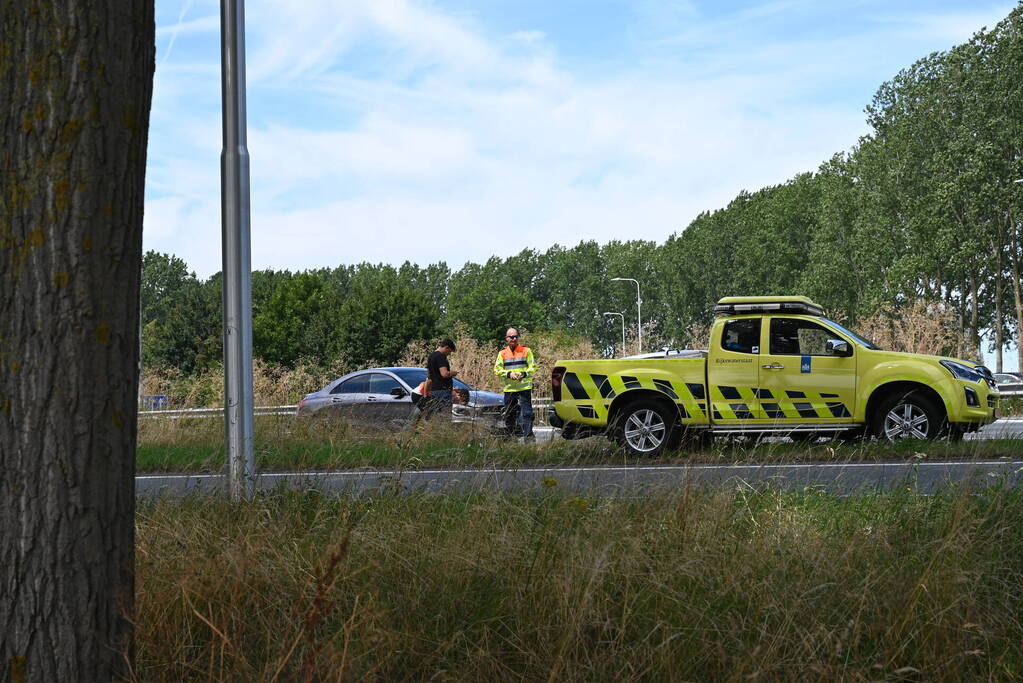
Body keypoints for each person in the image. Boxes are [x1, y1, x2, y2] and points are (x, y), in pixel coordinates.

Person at [493, 328, 536, 442]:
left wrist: (524, 373)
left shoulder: (526, 350)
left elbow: (533, 367)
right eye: (511, 337)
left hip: (524, 387)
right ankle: (511, 437)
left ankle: (529, 438)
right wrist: (508, 374)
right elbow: (497, 369)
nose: (514, 339)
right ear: (506, 339)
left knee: (527, 413)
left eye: (516, 336)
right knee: (509, 414)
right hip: (510, 389)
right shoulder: (502, 353)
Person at [421, 338, 458, 419]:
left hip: (434, 390)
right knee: (445, 417)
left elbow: (430, 377)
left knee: (436, 416)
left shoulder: (431, 356)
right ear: (446, 347)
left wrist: (426, 392)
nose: (449, 354)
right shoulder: (441, 356)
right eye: (450, 351)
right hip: (443, 391)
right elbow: (444, 374)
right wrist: (453, 373)